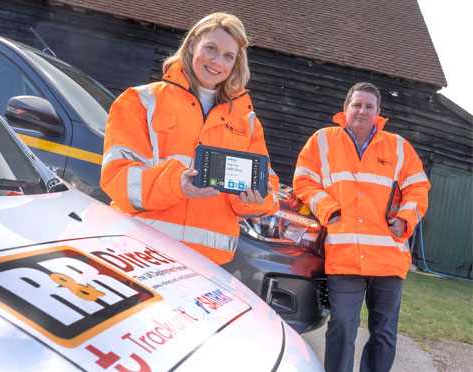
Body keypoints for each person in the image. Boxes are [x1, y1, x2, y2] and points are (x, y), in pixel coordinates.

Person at [100, 12, 279, 265]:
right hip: (140, 250)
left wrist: (253, 199)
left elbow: (268, 190)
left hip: (206, 265)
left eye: (229, 56)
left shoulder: (247, 121)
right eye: (211, 48)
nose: (218, 61)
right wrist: (177, 184)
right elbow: (116, 178)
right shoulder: (140, 101)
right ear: (193, 44)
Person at [293, 82, 430, 372]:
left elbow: (418, 187)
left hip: (388, 258)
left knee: (383, 333)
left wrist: (405, 218)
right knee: (342, 326)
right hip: (345, 257)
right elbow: (304, 181)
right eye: (357, 105)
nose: (362, 111)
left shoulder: (399, 147)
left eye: (369, 106)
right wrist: (328, 209)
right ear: (346, 109)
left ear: (378, 113)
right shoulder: (322, 140)